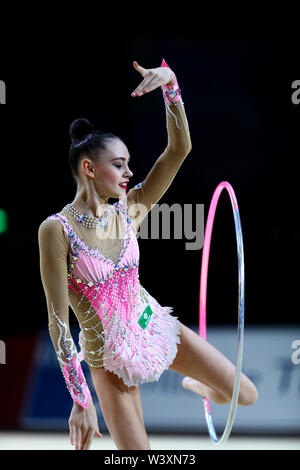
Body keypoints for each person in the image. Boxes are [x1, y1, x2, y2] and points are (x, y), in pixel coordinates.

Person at [38, 59, 258, 451]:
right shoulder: (56, 230)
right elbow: (57, 323)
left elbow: (179, 149)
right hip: (107, 359)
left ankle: (199, 385)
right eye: (118, 165)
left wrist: (171, 85)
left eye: (128, 164)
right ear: (88, 168)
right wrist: (80, 398)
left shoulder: (130, 207)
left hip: (153, 326)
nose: (128, 173)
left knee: (245, 394)